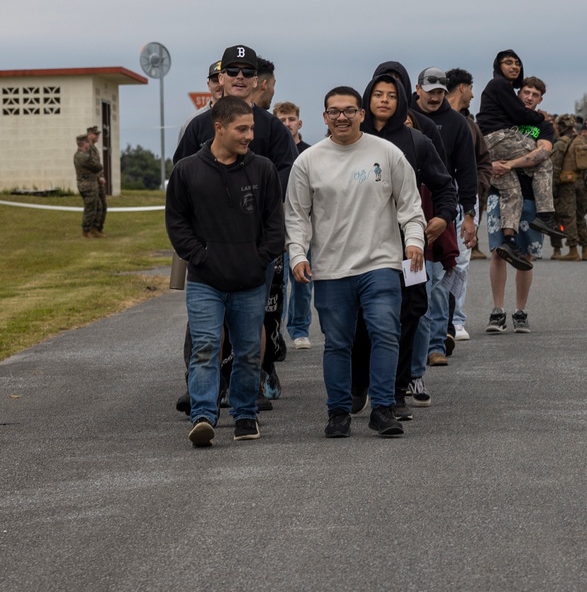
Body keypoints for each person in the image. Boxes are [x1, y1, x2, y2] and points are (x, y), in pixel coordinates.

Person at [284, 86, 426, 438]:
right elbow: (297, 216)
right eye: (334, 112)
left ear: (362, 114)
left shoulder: (387, 153)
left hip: (380, 263)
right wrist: (298, 254)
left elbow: (411, 206)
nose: (342, 117)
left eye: (349, 110)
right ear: (325, 118)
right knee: (338, 342)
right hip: (332, 268)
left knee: (385, 331)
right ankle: (338, 413)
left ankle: (382, 408)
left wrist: (413, 242)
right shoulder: (308, 161)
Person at [165, 96, 285, 447]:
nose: (250, 135)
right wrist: (199, 257)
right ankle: (203, 416)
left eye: (252, 128)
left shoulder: (262, 169)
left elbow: (274, 225)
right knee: (206, 345)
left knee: (249, 350)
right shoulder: (187, 170)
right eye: (242, 129)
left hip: (250, 281)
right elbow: (177, 222)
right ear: (219, 128)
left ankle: (245, 416)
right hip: (205, 281)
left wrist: (258, 258)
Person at [351, 73, 457, 417]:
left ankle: (396, 391)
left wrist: (442, 216)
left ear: (401, 102)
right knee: (364, 318)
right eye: (378, 94)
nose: (384, 100)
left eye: (392, 96)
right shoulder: (351, 138)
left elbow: (444, 185)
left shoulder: (416, 141)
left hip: (409, 245)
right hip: (361, 245)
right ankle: (359, 384)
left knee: (410, 312)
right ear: (367, 99)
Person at [410, 67, 477, 370]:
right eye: (430, 90)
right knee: (413, 279)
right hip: (409, 205)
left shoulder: (457, 123)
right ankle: (413, 345)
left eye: (440, 91)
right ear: (418, 89)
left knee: (439, 278)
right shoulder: (405, 116)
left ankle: (437, 343)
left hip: (442, 205)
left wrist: (468, 214)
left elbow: (467, 169)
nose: (435, 96)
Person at [476, 49, 565, 265]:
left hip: (492, 146)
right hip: (500, 138)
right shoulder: (500, 85)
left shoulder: (501, 92)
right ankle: (545, 216)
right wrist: (540, 116)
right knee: (543, 161)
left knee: (511, 192)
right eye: (508, 63)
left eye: (517, 63)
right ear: (498, 66)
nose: (514, 66)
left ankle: (508, 239)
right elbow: (521, 114)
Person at [485, 78, 555, 333]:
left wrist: (511, 163)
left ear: (540, 100)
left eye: (535, 94)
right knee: (498, 251)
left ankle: (521, 311)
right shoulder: (504, 119)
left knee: (525, 255)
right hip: (500, 193)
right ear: (517, 94)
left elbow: (543, 152)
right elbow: (486, 147)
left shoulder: (542, 126)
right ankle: (497, 310)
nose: (529, 97)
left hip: (530, 197)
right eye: (526, 92)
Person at [444, 68, 491, 342]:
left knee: (461, 261)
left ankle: (456, 319)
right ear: (462, 87)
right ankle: (432, 319)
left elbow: (483, 160)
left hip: (465, 199)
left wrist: (477, 186)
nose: (473, 93)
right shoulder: (423, 119)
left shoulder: (471, 124)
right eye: (471, 88)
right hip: (434, 198)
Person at [273, 100, 314, 349]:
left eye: (290, 120)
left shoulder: (310, 153)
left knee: (302, 278)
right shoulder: (272, 150)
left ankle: (299, 329)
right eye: (282, 120)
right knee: (278, 281)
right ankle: (274, 330)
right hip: (277, 222)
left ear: (299, 122)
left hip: (304, 223)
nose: (287, 124)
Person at [549, 114, 587, 261]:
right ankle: (586, 250)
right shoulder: (584, 141)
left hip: (567, 185)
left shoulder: (560, 144)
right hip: (582, 184)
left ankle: (572, 250)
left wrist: (553, 189)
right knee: (580, 217)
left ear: (562, 127)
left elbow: (555, 169)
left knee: (568, 217)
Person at [177, 61, 223, 143]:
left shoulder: (243, 117)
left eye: (222, 80)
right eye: (215, 80)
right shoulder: (193, 122)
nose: (219, 85)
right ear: (209, 85)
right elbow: (183, 155)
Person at [73, 134, 105, 238]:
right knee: (90, 208)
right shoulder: (85, 157)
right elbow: (98, 166)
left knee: (98, 206)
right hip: (88, 186)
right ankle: (86, 232)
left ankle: (94, 229)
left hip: (87, 184)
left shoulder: (77, 155)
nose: (88, 145)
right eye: (87, 143)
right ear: (84, 144)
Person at [84, 126, 108, 234]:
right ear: (89, 135)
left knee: (103, 205)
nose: (98, 136)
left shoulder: (94, 148)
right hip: (93, 182)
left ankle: (98, 229)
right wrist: (98, 178)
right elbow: (90, 166)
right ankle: (92, 229)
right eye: (95, 134)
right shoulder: (88, 149)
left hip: (99, 182)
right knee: (96, 206)